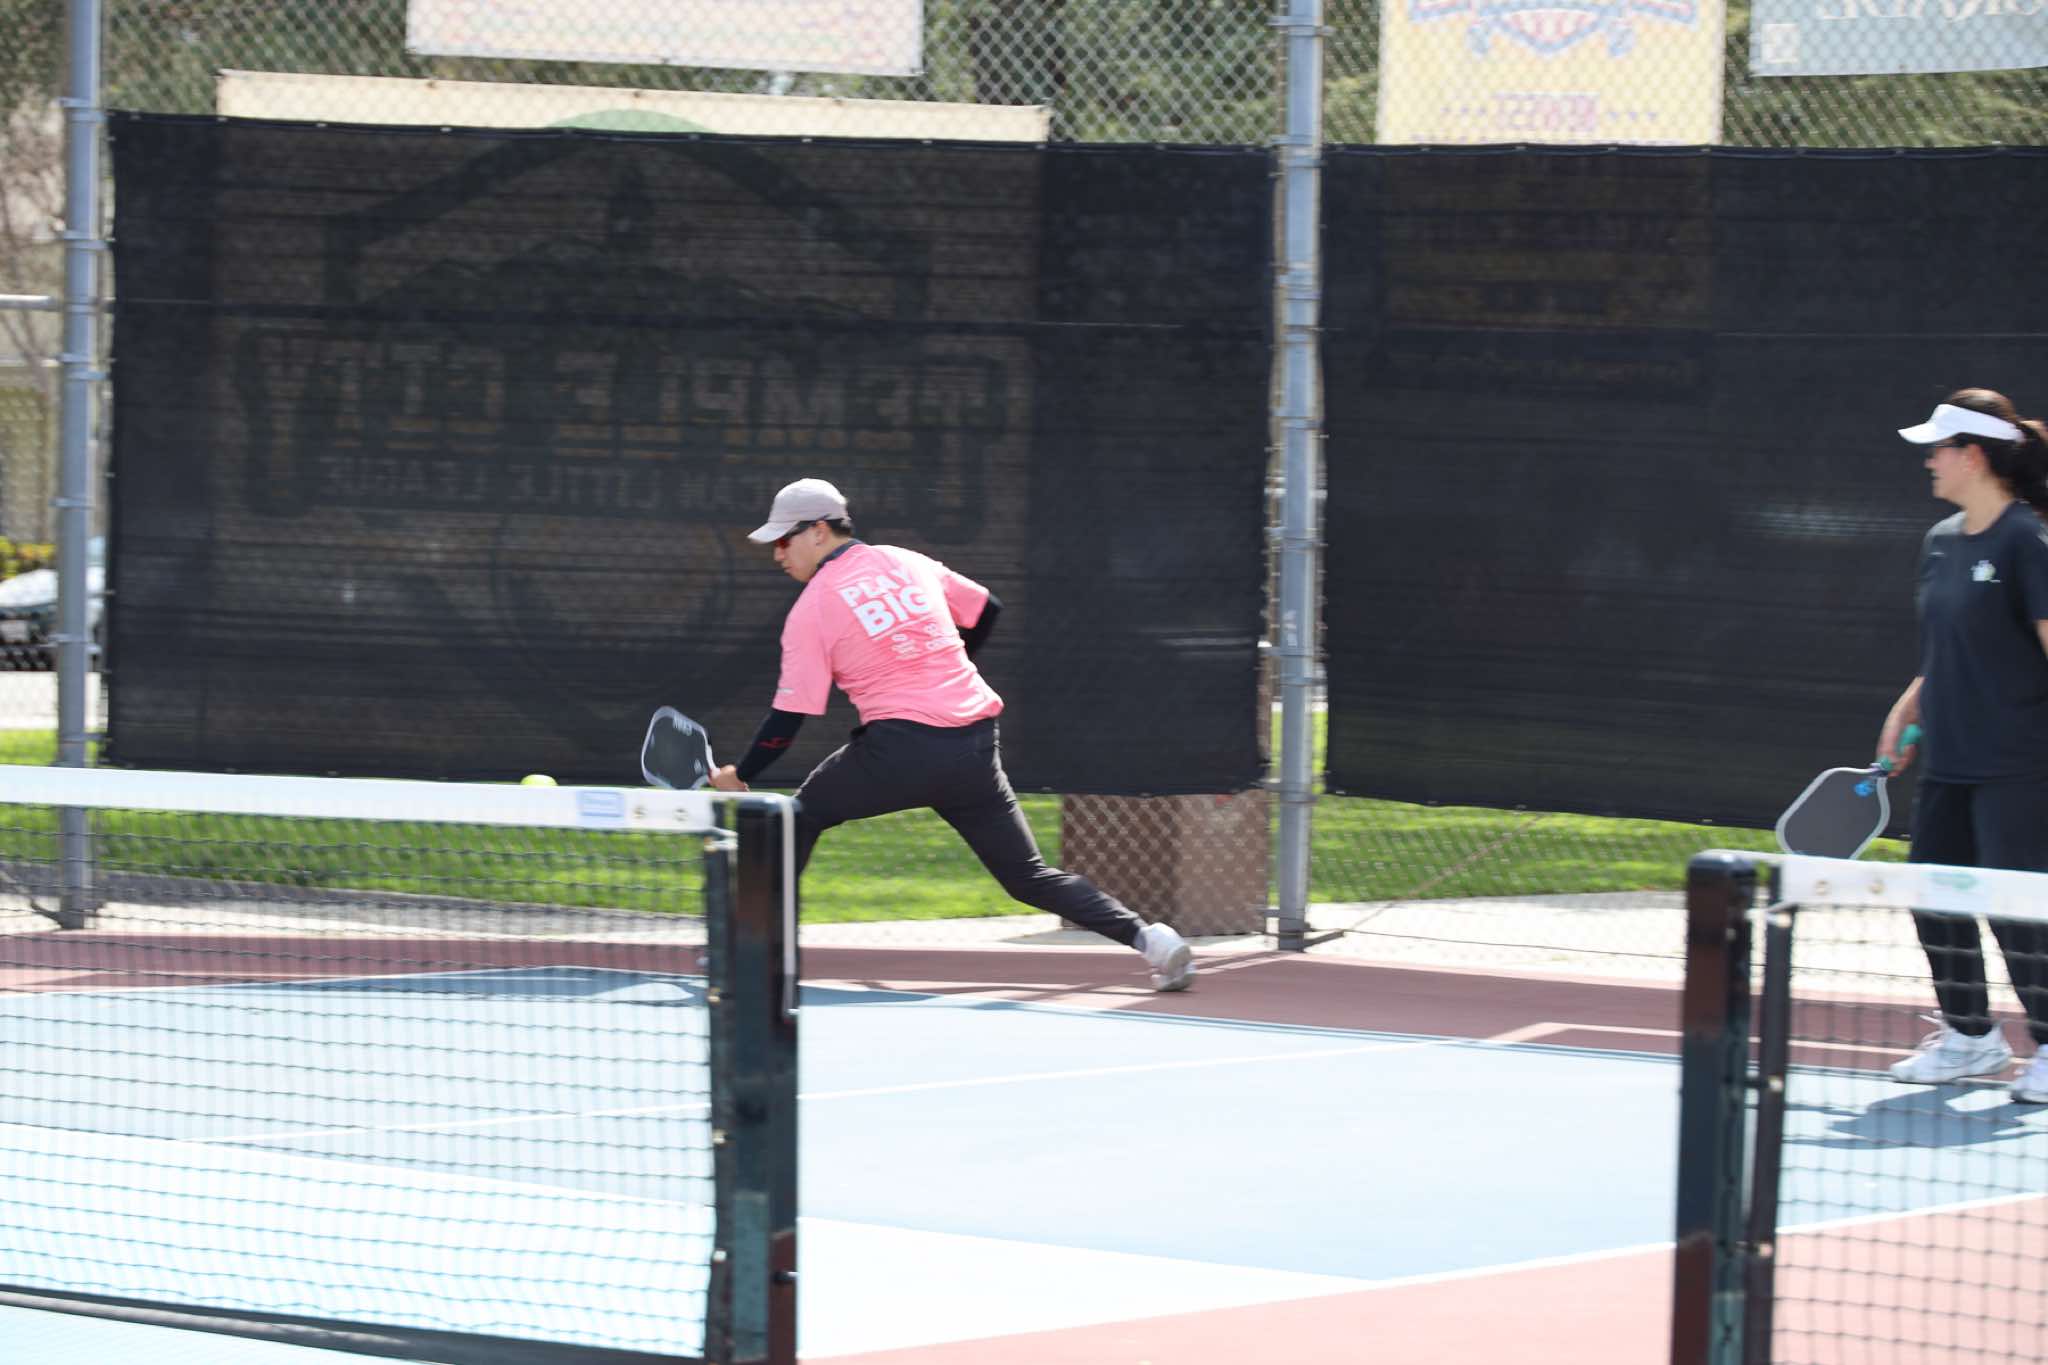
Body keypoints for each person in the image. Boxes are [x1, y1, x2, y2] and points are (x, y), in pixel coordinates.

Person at [707, 477, 1196, 992]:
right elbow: (986, 608)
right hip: (973, 749)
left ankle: (748, 953)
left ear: (819, 531)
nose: (778, 553)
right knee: (1027, 876)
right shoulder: (906, 561)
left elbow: (788, 717)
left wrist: (742, 773)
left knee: (796, 819)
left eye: (785, 539)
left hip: (899, 752)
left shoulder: (813, 607)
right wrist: (941, 668)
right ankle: (1153, 941)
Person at [1879, 389, 2048, 1102]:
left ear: (1973, 456)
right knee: (1932, 896)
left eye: (1939, 449)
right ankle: (1971, 1036)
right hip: (1948, 758)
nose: (1929, 461)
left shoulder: (2028, 541)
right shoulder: (1941, 541)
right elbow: (1943, 651)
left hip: (2018, 763)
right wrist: (1905, 711)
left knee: (2017, 907)